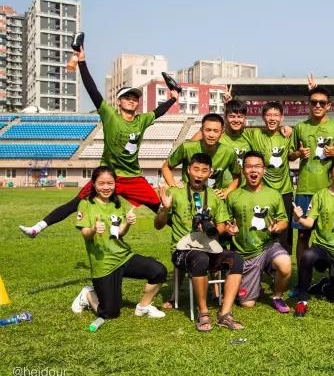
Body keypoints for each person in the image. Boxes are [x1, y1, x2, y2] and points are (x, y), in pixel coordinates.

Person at [19, 44, 179, 238]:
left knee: (160, 207)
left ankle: (189, 233)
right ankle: (37, 228)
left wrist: (173, 98)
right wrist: (82, 62)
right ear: (118, 102)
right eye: (127, 97)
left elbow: (158, 111)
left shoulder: (142, 120)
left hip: (133, 177)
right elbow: (92, 90)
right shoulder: (109, 115)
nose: (131, 100)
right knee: (75, 203)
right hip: (108, 176)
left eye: (135, 98)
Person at [154, 153, 244, 331]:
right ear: (188, 170)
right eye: (196, 169)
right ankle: (203, 312)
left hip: (208, 248)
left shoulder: (215, 196)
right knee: (200, 259)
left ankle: (225, 313)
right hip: (182, 251)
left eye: (204, 170)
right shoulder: (175, 192)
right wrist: (164, 209)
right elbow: (158, 225)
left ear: (210, 173)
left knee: (236, 260)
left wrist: (222, 229)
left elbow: (221, 225)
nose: (199, 174)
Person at [70, 166, 167, 320]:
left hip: (123, 256)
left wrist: (127, 223)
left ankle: (143, 306)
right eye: (101, 183)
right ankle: (87, 294)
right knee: (110, 313)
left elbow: (118, 233)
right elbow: (86, 235)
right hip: (104, 264)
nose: (106, 187)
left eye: (110, 183)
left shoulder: (117, 203)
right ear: (93, 184)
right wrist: (94, 229)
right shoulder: (85, 204)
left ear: (115, 184)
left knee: (159, 271)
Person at [289, 82, 334, 269]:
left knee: (332, 233)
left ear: (329, 105)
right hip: (305, 188)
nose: (318, 105)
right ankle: (302, 277)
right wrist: (298, 153)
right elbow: (289, 154)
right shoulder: (300, 127)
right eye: (314, 102)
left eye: (322, 102)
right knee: (303, 235)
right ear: (309, 104)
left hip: (331, 190)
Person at [226, 151, 292, 313]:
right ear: (243, 170)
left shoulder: (274, 194)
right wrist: (229, 229)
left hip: (268, 246)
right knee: (247, 304)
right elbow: (226, 222)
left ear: (264, 170)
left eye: (257, 166)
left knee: (285, 265)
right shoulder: (233, 196)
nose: (253, 170)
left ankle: (277, 297)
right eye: (249, 166)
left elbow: (284, 220)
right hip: (245, 252)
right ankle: (254, 284)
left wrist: (278, 227)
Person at [291, 156, 334, 317]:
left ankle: (323, 285)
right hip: (322, 248)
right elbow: (309, 222)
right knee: (307, 256)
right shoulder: (320, 195)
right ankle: (302, 300)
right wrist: (299, 219)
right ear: (331, 172)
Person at [242, 102, 294, 252]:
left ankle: (282, 261)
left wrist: (290, 130)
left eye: (276, 115)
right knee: (262, 228)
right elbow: (233, 128)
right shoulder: (254, 134)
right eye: (269, 115)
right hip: (263, 192)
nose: (272, 118)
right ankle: (260, 260)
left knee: (283, 232)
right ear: (263, 117)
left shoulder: (288, 135)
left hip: (284, 191)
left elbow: (293, 154)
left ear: (282, 118)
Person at [161, 113, 240, 198]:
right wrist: (173, 184)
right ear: (202, 130)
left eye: (216, 131)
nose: (211, 135)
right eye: (208, 130)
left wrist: (226, 192)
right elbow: (166, 167)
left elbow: (237, 177)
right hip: (188, 197)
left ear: (222, 132)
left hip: (212, 198)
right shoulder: (187, 147)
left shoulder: (229, 152)